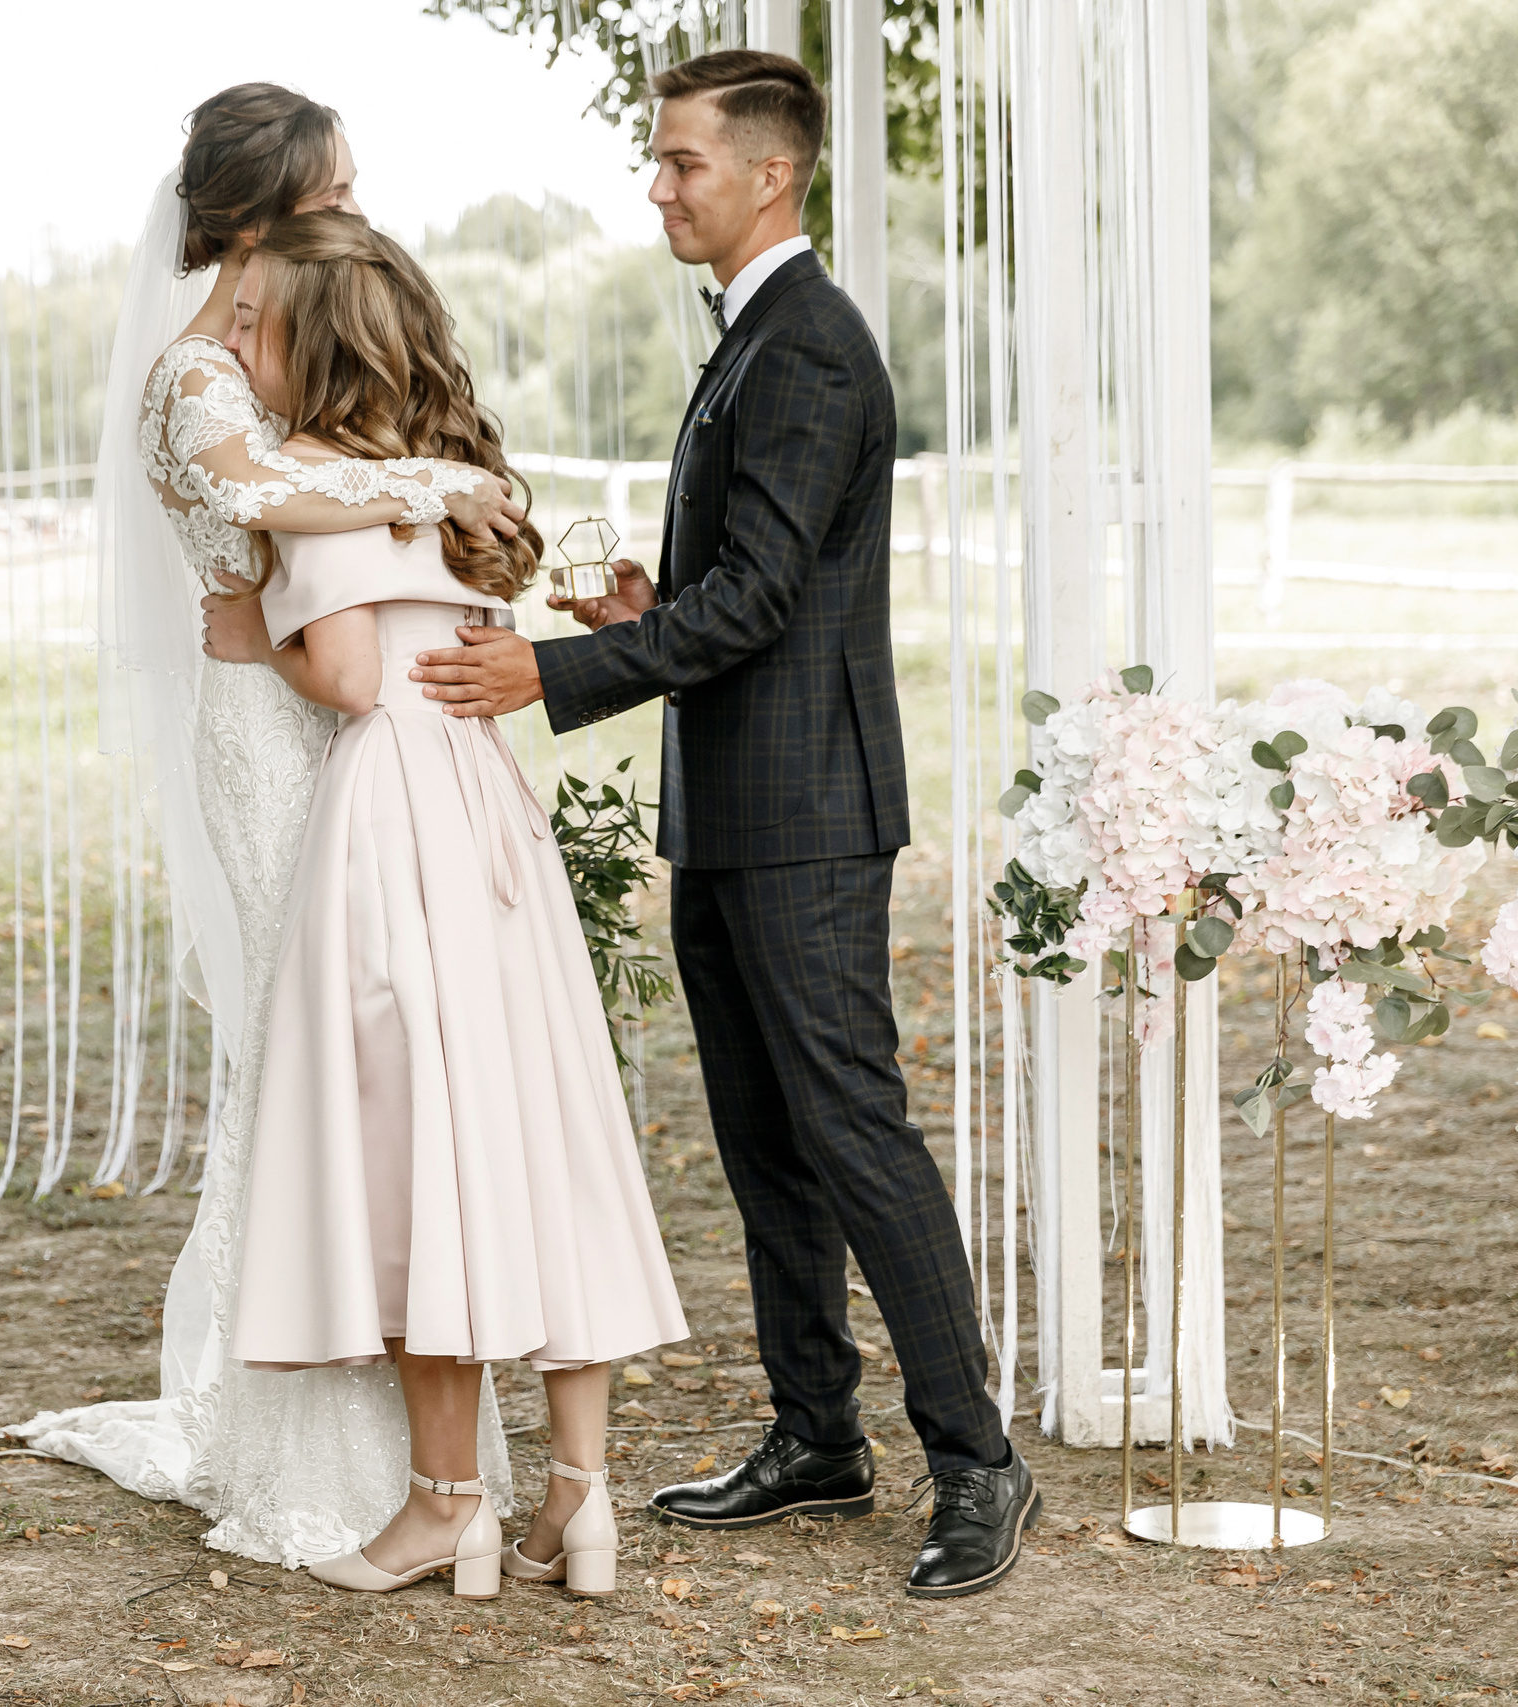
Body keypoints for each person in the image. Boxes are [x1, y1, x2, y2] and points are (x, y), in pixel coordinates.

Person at [402, 50, 1038, 1600]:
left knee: (854, 1134)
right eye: (659, 158)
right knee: (767, 1145)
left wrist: (547, 671)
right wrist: (648, 610)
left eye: (683, 160)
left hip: (808, 815)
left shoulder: (809, 344)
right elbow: (755, 586)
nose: (659, 185)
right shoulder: (755, 339)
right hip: (737, 805)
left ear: (770, 174)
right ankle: (817, 1438)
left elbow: (762, 602)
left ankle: (978, 1462)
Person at [8, 84, 530, 1570]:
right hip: (270, 733)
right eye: (333, 188)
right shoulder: (195, 381)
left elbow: (331, 497)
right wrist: (441, 481)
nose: (355, 208)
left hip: (342, 708)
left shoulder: (282, 345)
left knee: (380, 1055)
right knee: (311, 1050)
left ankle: (421, 1448)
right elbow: (262, 491)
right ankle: (309, 1442)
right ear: (259, 208)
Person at [203, 211, 686, 1600]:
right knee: (536, 1126)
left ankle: (445, 1505)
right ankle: (579, 1502)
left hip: (393, 815)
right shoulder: (464, 476)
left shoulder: (304, 479)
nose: (237, 344)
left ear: (317, 345)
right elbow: (469, 634)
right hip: (487, 808)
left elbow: (356, 677)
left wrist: (262, 641)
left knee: (419, 1144)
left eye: (256, 325)